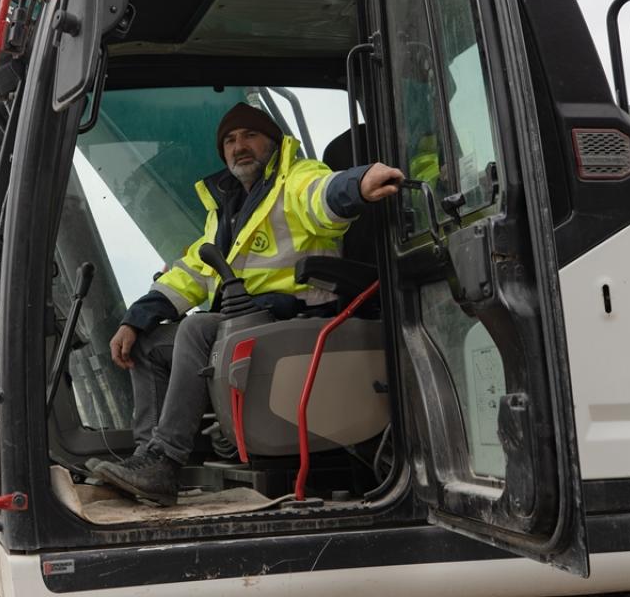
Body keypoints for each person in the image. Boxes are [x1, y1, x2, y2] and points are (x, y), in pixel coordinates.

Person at [92, 102, 403, 505]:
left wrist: (358, 185)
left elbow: (321, 197)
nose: (240, 146)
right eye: (230, 140)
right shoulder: (225, 209)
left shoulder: (295, 179)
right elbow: (195, 271)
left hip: (301, 317)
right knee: (149, 345)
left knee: (197, 328)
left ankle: (166, 459)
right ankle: (147, 459)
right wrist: (137, 320)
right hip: (250, 321)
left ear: (272, 143)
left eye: (250, 136)